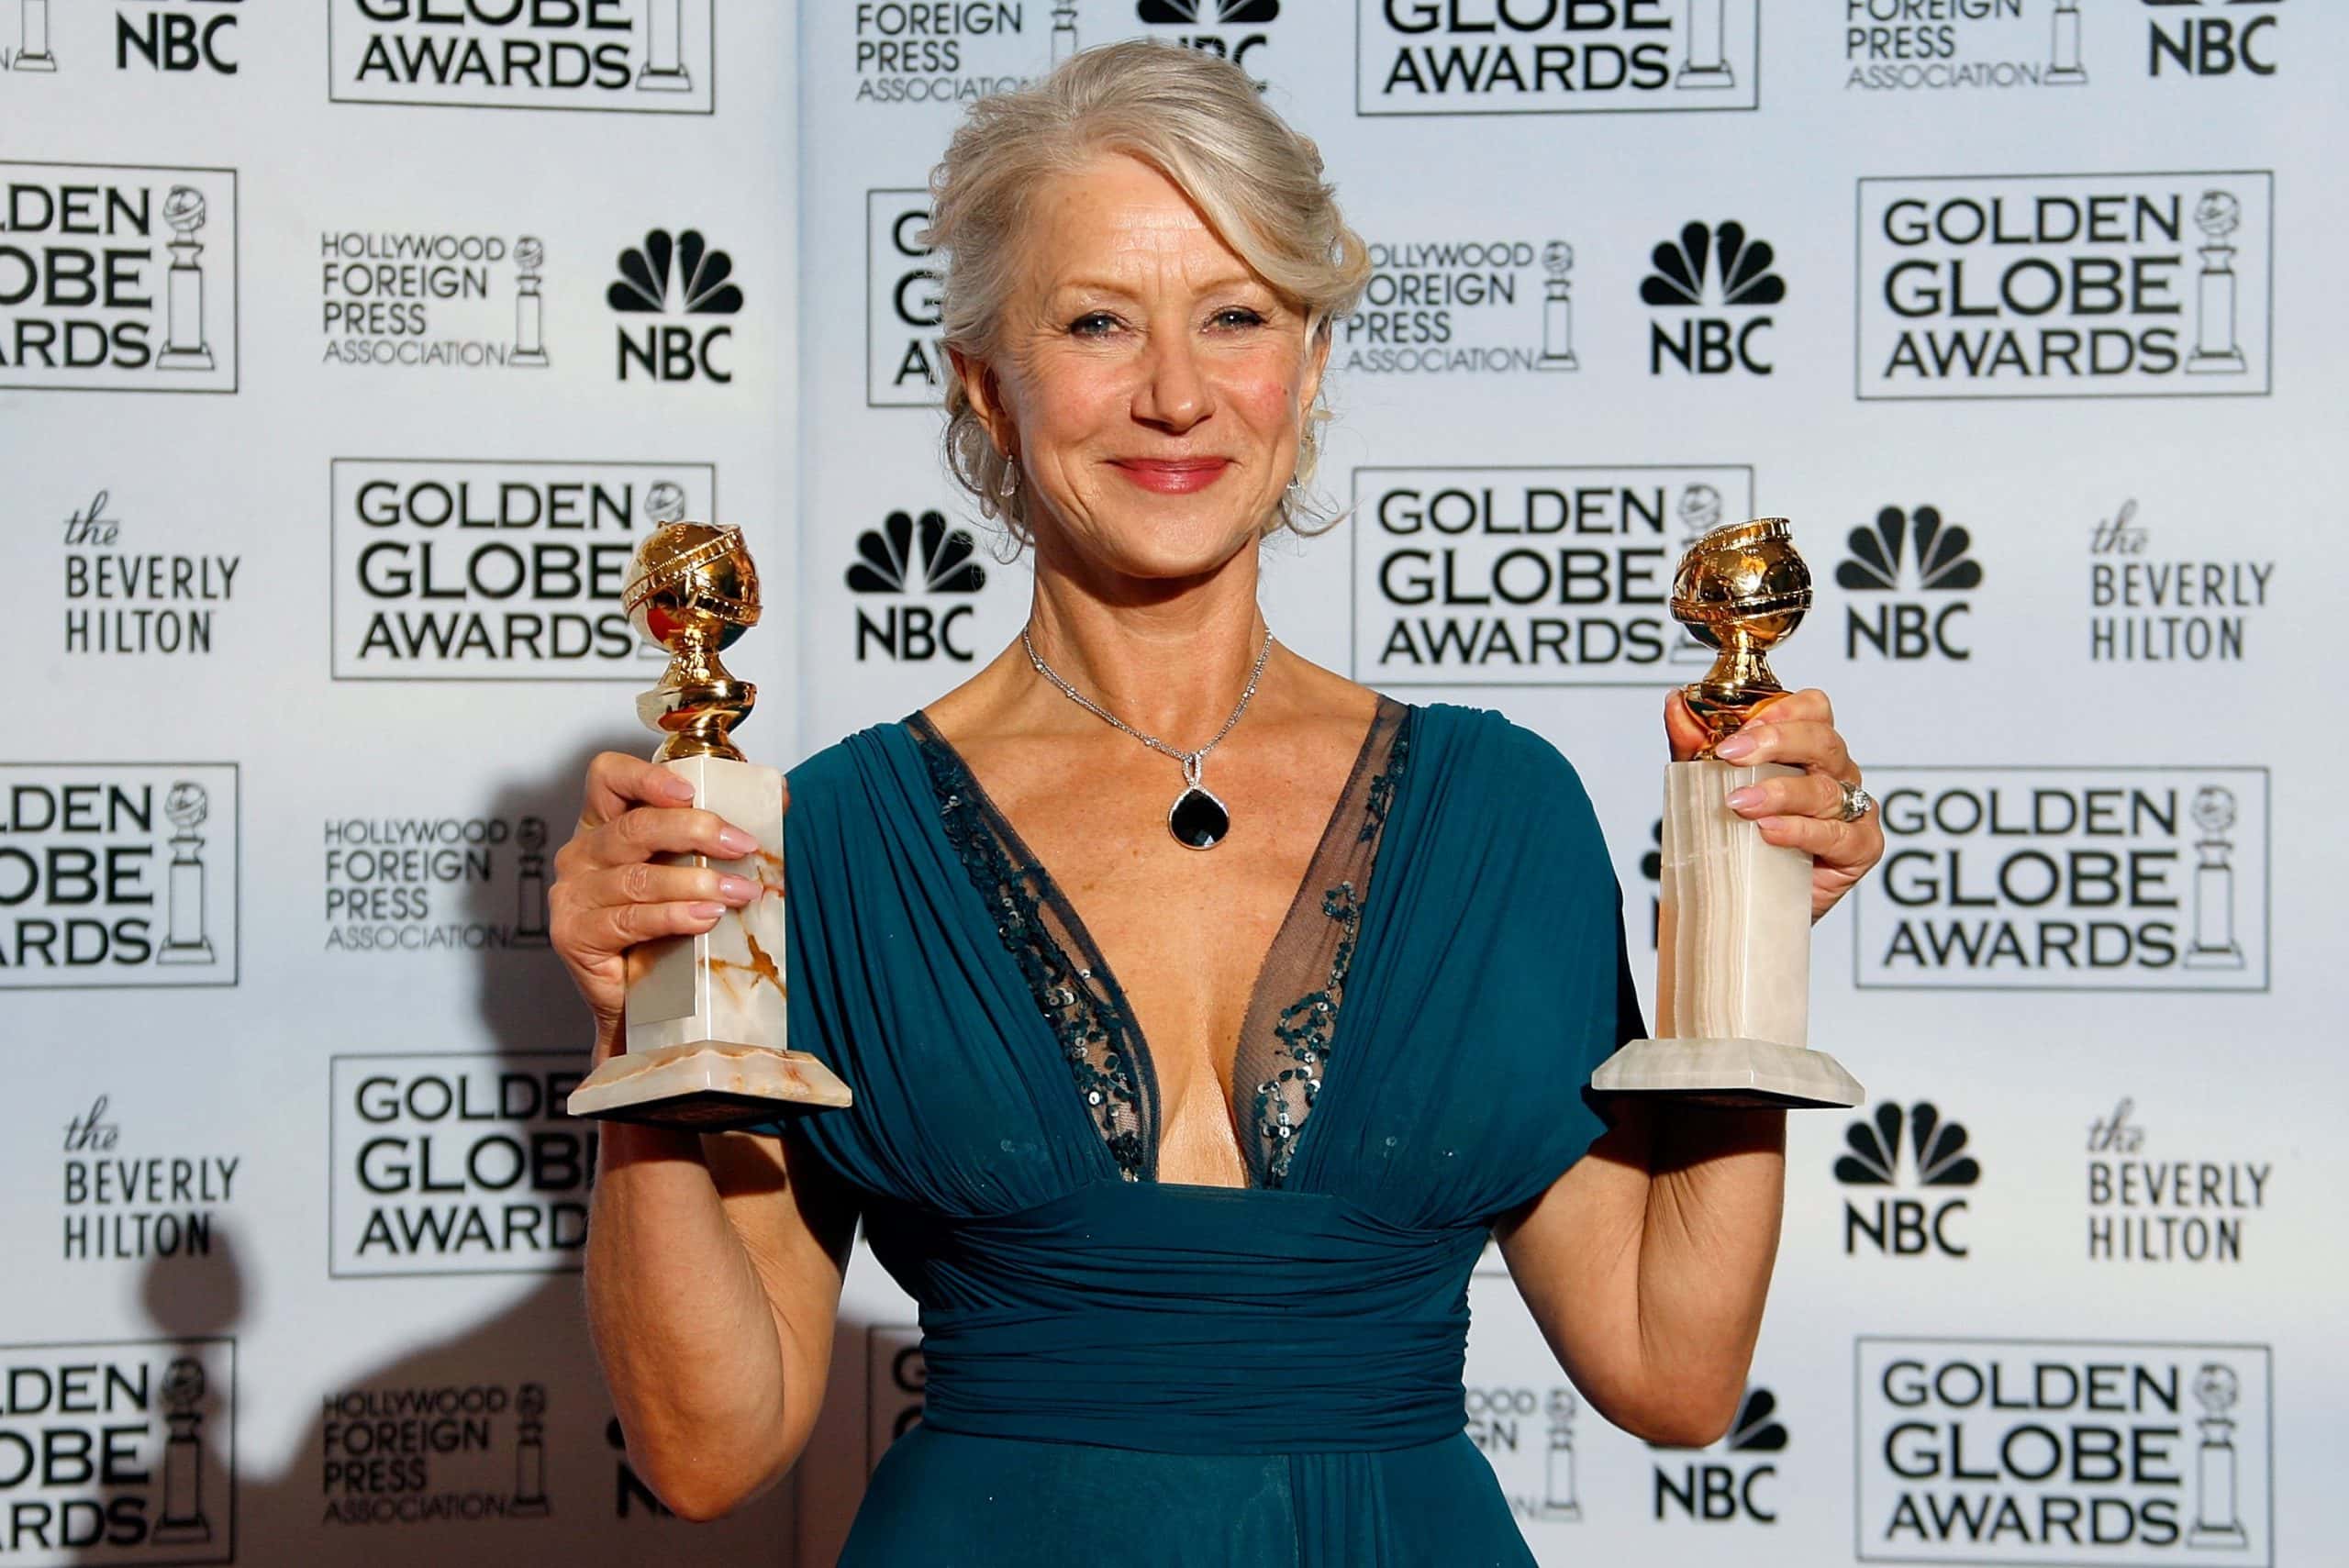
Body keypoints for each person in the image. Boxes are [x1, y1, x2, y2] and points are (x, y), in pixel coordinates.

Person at [553, 39, 1885, 1566]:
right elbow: (710, 1448)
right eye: (1099, 321)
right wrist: (635, 1018)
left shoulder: (1502, 817)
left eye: (1236, 316)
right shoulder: (833, 842)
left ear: (1308, 366)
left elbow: (1672, 1365)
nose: (1176, 394)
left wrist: (1754, 920)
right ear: (987, 384)